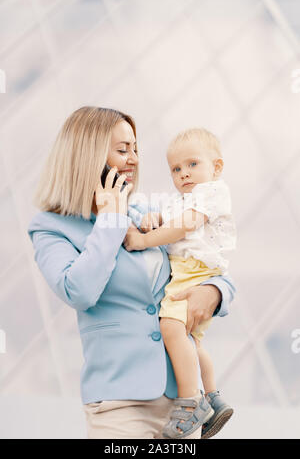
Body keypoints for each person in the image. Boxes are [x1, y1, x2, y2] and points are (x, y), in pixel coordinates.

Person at [27, 107, 236, 439]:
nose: (134, 159)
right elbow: (79, 291)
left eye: (135, 149)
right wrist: (111, 220)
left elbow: (202, 258)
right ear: (88, 155)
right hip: (118, 405)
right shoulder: (51, 227)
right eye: (122, 150)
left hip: (182, 407)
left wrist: (216, 291)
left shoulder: (148, 214)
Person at [123, 128, 236, 439]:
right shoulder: (184, 199)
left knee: (171, 328)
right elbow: (168, 218)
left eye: (192, 164)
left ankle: (191, 403)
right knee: (192, 341)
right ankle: (213, 397)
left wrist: (143, 239)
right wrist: (152, 219)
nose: (184, 174)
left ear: (217, 167)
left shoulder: (211, 192)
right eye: (176, 169)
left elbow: (181, 227)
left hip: (193, 272)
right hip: (192, 271)